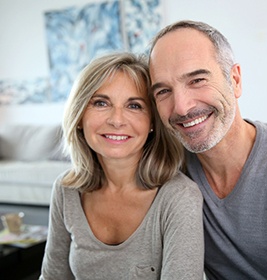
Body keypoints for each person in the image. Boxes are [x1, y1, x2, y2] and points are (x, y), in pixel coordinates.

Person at [148, 20, 267, 279]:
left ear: (235, 79)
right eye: (164, 91)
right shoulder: (168, 169)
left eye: (197, 80)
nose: (182, 107)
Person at [39, 52, 204, 280]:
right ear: (79, 116)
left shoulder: (179, 197)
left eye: (134, 106)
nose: (117, 120)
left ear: (152, 123)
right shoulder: (66, 190)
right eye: (101, 103)